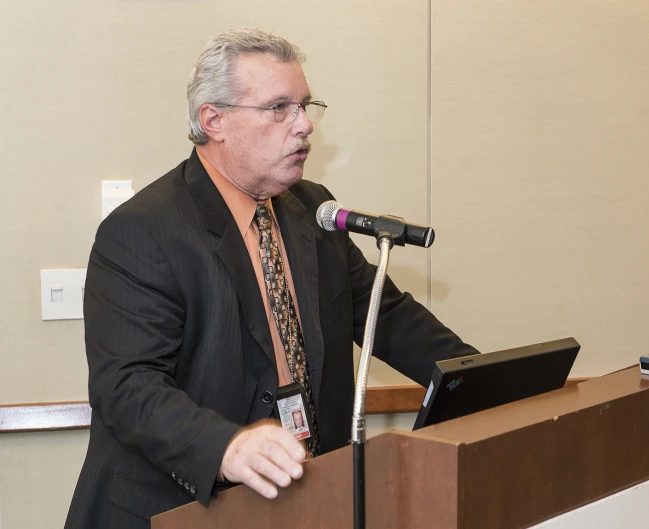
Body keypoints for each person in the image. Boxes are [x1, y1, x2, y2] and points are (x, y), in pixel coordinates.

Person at [64, 28, 478, 528]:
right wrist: (227, 445)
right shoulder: (144, 229)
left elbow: (382, 314)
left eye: (305, 106)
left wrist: (478, 379)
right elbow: (126, 386)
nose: (304, 125)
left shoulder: (312, 208)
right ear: (213, 120)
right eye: (279, 108)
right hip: (176, 509)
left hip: (297, 500)